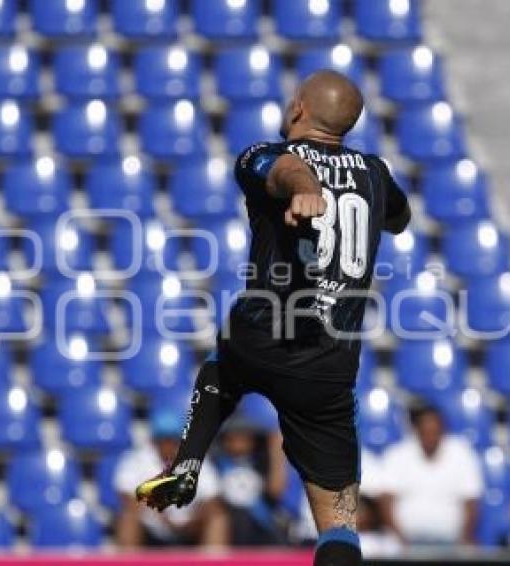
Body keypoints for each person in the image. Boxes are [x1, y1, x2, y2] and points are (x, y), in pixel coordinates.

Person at [135, 69, 411, 566]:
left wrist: (305, 186)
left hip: (262, 335)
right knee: (340, 521)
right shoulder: (376, 172)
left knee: (223, 367)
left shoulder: (258, 155)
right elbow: (399, 215)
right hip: (328, 368)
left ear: (298, 109)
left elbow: (282, 169)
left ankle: (187, 464)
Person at [115, 406, 228, 548]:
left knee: (217, 517)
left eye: (173, 439)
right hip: (151, 530)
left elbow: (212, 499)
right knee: (128, 518)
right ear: (155, 441)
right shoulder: (137, 460)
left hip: (191, 527)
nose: (168, 445)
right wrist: (159, 515)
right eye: (163, 440)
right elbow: (127, 497)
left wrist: (194, 519)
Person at [378, 404, 483, 547]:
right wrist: (401, 540)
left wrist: (464, 539)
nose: (431, 437)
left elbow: (471, 501)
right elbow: (385, 502)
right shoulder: (397, 455)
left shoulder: (462, 454)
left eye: (435, 432)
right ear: (416, 431)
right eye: (426, 432)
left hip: (452, 543)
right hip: (405, 543)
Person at [213, 413, 287, 545]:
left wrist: (276, 451)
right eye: (232, 437)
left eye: (243, 437)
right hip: (230, 526)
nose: (238, 443)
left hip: (260, 526)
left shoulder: (261, 464)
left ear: (252, 440)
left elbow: (275, 490)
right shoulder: (216, 463)